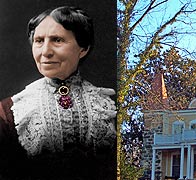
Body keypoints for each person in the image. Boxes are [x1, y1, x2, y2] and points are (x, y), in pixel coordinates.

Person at [0, 6, 116, 180]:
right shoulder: (10, 110)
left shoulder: (109, 107)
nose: (45, 51)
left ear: (83, 48)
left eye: (57, 40)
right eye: (39, 41)